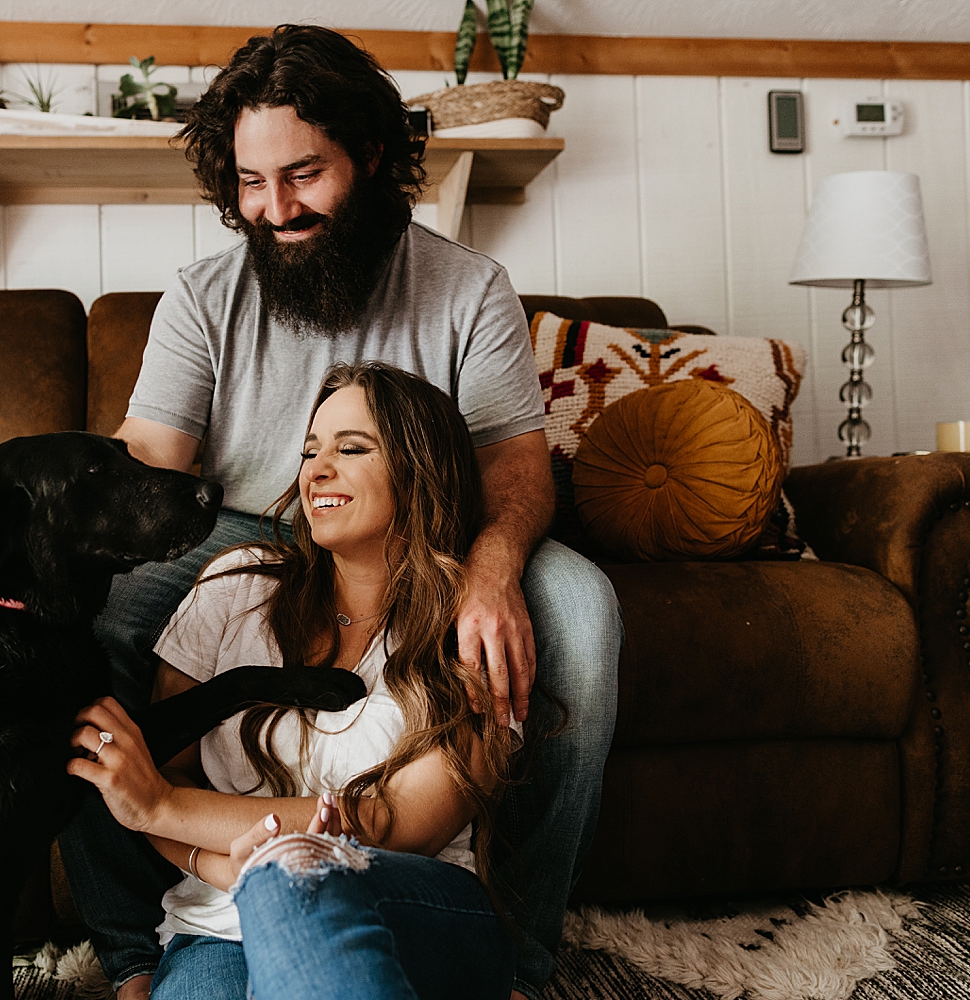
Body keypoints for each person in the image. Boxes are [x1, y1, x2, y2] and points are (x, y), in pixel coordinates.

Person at [56, 24, 621, 1000]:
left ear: (369, 154)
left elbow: (518, 472)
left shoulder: (469, 288)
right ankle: (135, 954)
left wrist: (492, 572)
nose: (275, 209)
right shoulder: (202, 296)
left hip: (422, 532)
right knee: (76, 623)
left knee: (581, 614)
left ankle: (519, 959)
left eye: (303, 175)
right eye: (251, 182)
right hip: (236, 528)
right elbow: (147, 459)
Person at [69, 363, 521, 1000]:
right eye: (310, 452)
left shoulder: (471, 628)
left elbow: (391, 823)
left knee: (295, 871)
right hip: (217, 924)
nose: (316, 471)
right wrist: (220, 866)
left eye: (351, 449)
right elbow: (161, 773)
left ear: (421, 471)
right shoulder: (234, 589)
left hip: (413, 912)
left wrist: (167, 810)